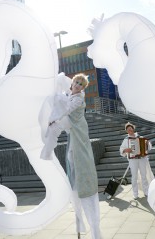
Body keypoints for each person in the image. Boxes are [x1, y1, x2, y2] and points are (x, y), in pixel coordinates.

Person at [41, 73, 101, 239]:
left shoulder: (78, 99)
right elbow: (63, 103)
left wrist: (54, 118)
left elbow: (66, 108)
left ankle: (47, 152)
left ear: (83, 88)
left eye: (81, 84)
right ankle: (47, 151)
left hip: (78, 129)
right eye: (76, 82)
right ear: (73, 83)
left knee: (74, 151)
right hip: (72, 127)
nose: (77, 85)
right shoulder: (71, 95)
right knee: (67, 149)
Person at [119, 122, 154, 199]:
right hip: (132, 160)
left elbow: (149, 147)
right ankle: (135, 193)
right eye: (127, 129)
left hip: (142, 159)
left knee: (144, 175)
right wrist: (125, 150)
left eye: (130, 129)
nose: (129, 130)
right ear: (126, 131)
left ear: (133, 129)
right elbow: (121, 150)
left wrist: (147, 143)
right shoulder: (126, 140)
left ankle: (146, 191)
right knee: (134, 176)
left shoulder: (141, 138)